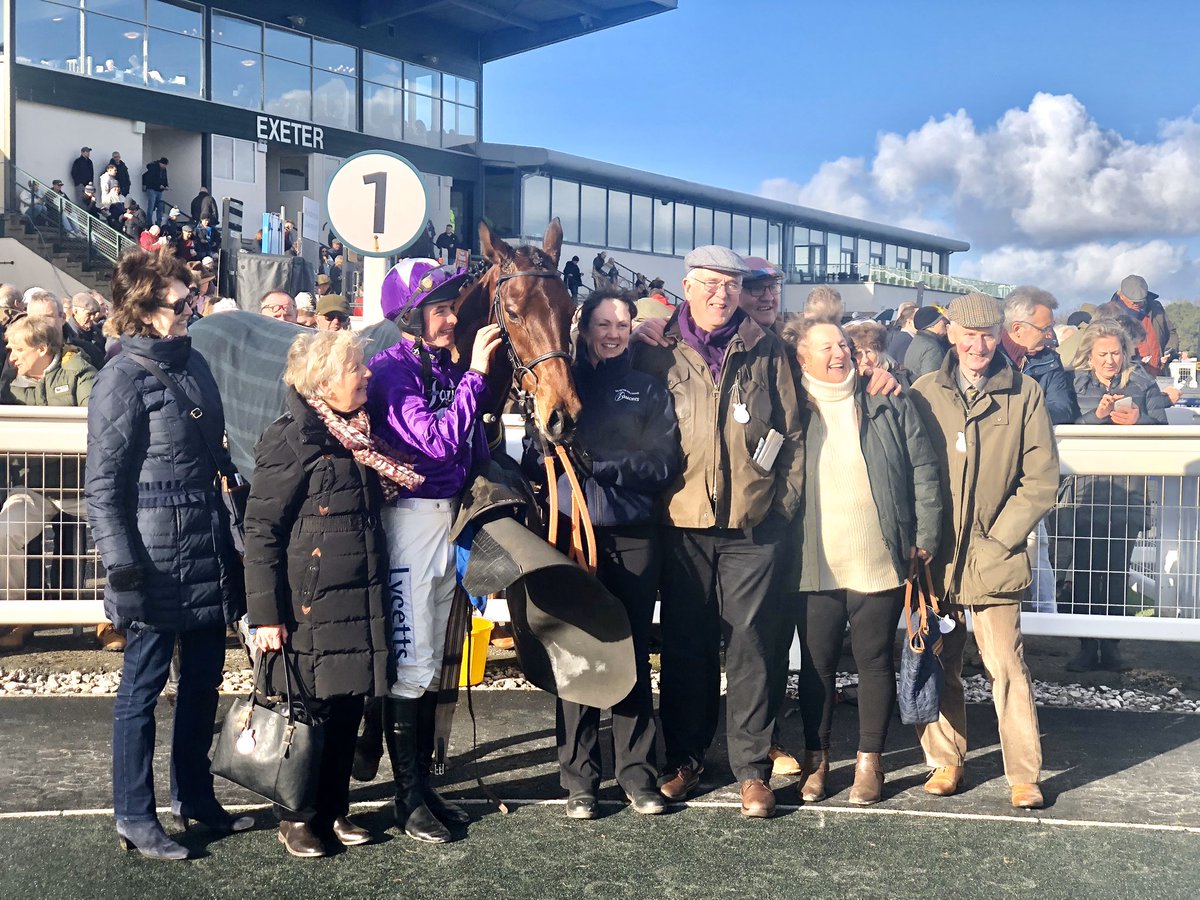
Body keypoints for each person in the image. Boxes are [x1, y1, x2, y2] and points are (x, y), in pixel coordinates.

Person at [84, 249, 252, 860]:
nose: (190, 309)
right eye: (180, 302)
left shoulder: (194, 362)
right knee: (143, 688)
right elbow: (103, 489)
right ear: (143, 310)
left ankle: (194, 796)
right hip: (153, 558)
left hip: (205, 544)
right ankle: (134, 814)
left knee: (204, 681)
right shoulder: (119, 379)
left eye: (192, 299)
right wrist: (123, 571)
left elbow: (213, 455)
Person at [633, 245, 804, 819]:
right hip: (680, 526)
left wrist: (778, 509)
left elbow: (791, 436)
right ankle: (685, 758)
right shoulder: (655, 349)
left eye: (731, 285)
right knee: (688, 646)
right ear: (686, 287)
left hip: (752, 527)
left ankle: (752, 769)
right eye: (709, 283)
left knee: (752, 646)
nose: (721, 294)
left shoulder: (766, 348)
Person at [245, 329, 415, 858]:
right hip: (309, 604)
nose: (367, 375)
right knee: (308, 712)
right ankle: (296, 816)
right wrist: (266, 615)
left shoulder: (358, 432)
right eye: (354, 368)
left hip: (359, 595)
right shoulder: (291, 438)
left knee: (347, 706)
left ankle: (334, 808)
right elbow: (262, 530)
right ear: (322, 382)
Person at [524, 288, 681, 819]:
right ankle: (580, 779)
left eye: (621, 324)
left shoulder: (647, 389)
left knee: (630, 653)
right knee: (577, 656)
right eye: (603, 324)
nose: (613, 334)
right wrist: (538, 446)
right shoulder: (559, 384)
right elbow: (533, 464)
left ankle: (637, 773)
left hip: (633, 536)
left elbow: (662, 463)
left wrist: (602, 464)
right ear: (584, 329)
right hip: (571, 535)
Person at [366, 258, 502, 843]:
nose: (451, 320)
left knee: (432, 660)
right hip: (409, 524)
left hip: (448, 519)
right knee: (412, 660)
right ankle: (406, 800)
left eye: (451, 308)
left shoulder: (440, 364)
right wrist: (476, 375)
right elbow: (439, 442)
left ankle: (421, 787)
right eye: (440, 310)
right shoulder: (391, 371)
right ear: (410, 317)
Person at [907, 292, 1059, 810]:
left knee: (1007, 666)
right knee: (940, 661)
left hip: (996, 554)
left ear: (1001, 336)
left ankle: (1024, 774)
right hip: (937, 556)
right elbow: (911, 472)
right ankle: (945, 760)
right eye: (969, 335)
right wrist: (921, 539)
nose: (978, 346)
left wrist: (998, 540)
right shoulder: (923, 392)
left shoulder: (1026, 393)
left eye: (987, 336)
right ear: (951, 334)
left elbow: (1040, 480)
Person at [781, 316, 941, 805]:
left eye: (843, 344)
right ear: (802, 358)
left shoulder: (885, 395)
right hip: (814, 557)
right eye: (826, 347)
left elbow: (923, 468)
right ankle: (816, 758)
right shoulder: (789, 404)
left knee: (873, 660)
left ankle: (870, 762)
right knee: (817, 665)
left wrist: (925, 534)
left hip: (878, 552)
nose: (839, 353)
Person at [0, 316, 113, 650]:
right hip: (35, 488)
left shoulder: (79, 372)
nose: (11, 357)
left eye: (18, 349)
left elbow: (99, 421)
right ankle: (15, 616)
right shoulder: (9, 384)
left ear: (41, 348)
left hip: (86, 486)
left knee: (116, 536)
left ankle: (110, 618)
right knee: (4, 532)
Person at [1063, 320, 1169, 672]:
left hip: (1129, 491)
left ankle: (1111, 646)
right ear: (1089, 355)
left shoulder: (1143, 382)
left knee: (1117, 570)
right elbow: (1061, 427)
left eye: (1116, 353)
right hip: (1086, 490)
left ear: (1126, 352)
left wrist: (1140, 421)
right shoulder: (1073, 383)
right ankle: (1085, 645)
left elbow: (1164, 431)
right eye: (1102, 354)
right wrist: (1096, 416)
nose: (1110, 360)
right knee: (1084, 569)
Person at [1000, 286, 1080, 426]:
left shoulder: (1051, 360)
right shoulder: (988, 358)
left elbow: (1063, 409)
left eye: (1051, 327)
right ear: (1017, 329)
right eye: (1044, 329)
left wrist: (1022, 415)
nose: (1049, 334)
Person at [1094, 275, 1178, 377]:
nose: (1138, 303)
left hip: (1159, 373)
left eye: (1141, 300)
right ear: (1121, 295)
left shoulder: (1156, 309)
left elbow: (1171, 332)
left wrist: (1169, 350)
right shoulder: (1110, 313)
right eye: (1133, 301)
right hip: (1129, 376)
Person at [903, 305, 949, 379]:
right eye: (942, 319)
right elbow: (931, 380)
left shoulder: (918, 340)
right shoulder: (932, 348)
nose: (946, 323)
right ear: (932, 325)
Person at [64, 291, 107, 370]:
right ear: (75, 311)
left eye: (94, 314)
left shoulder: (98, 333)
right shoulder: (67, 336)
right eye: (89, 314)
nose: (92, 318)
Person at [142, 159, 168, 226]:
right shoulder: (153, 167)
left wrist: (166, 185)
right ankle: (149, 223)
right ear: (160, 163)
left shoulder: (164, 169)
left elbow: (165, 178)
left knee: (159, 206)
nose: (165, 166)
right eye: (164, 165)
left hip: (159, 190)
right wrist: (159, 185)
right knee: (151, 206)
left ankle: (159, 223)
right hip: (152, 189)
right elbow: (151, 179)